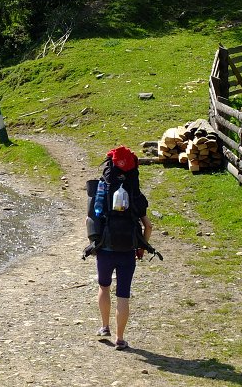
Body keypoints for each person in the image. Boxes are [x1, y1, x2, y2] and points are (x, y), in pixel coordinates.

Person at [90, 145, 152, 351]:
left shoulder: (104, 185)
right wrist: (141, 247)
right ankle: (120, 338)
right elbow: (149, 226)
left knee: (104, 287)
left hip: (105, 249)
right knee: (123, 295)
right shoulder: (134, 191)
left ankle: (104, 327)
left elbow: (93, 215)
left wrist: (94, 242)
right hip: (128, 252)